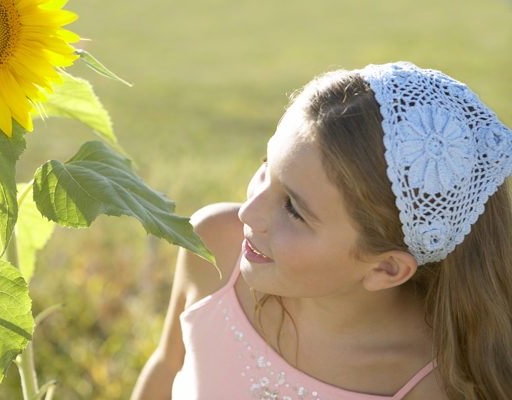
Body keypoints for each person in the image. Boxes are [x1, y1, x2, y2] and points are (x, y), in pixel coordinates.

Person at [130, 62, 512, 400]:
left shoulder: (423, 382)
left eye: (293, 209)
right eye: (266, 166)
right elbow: (166, 368)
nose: (249, 211)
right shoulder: (214, 246)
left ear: (386, 269)